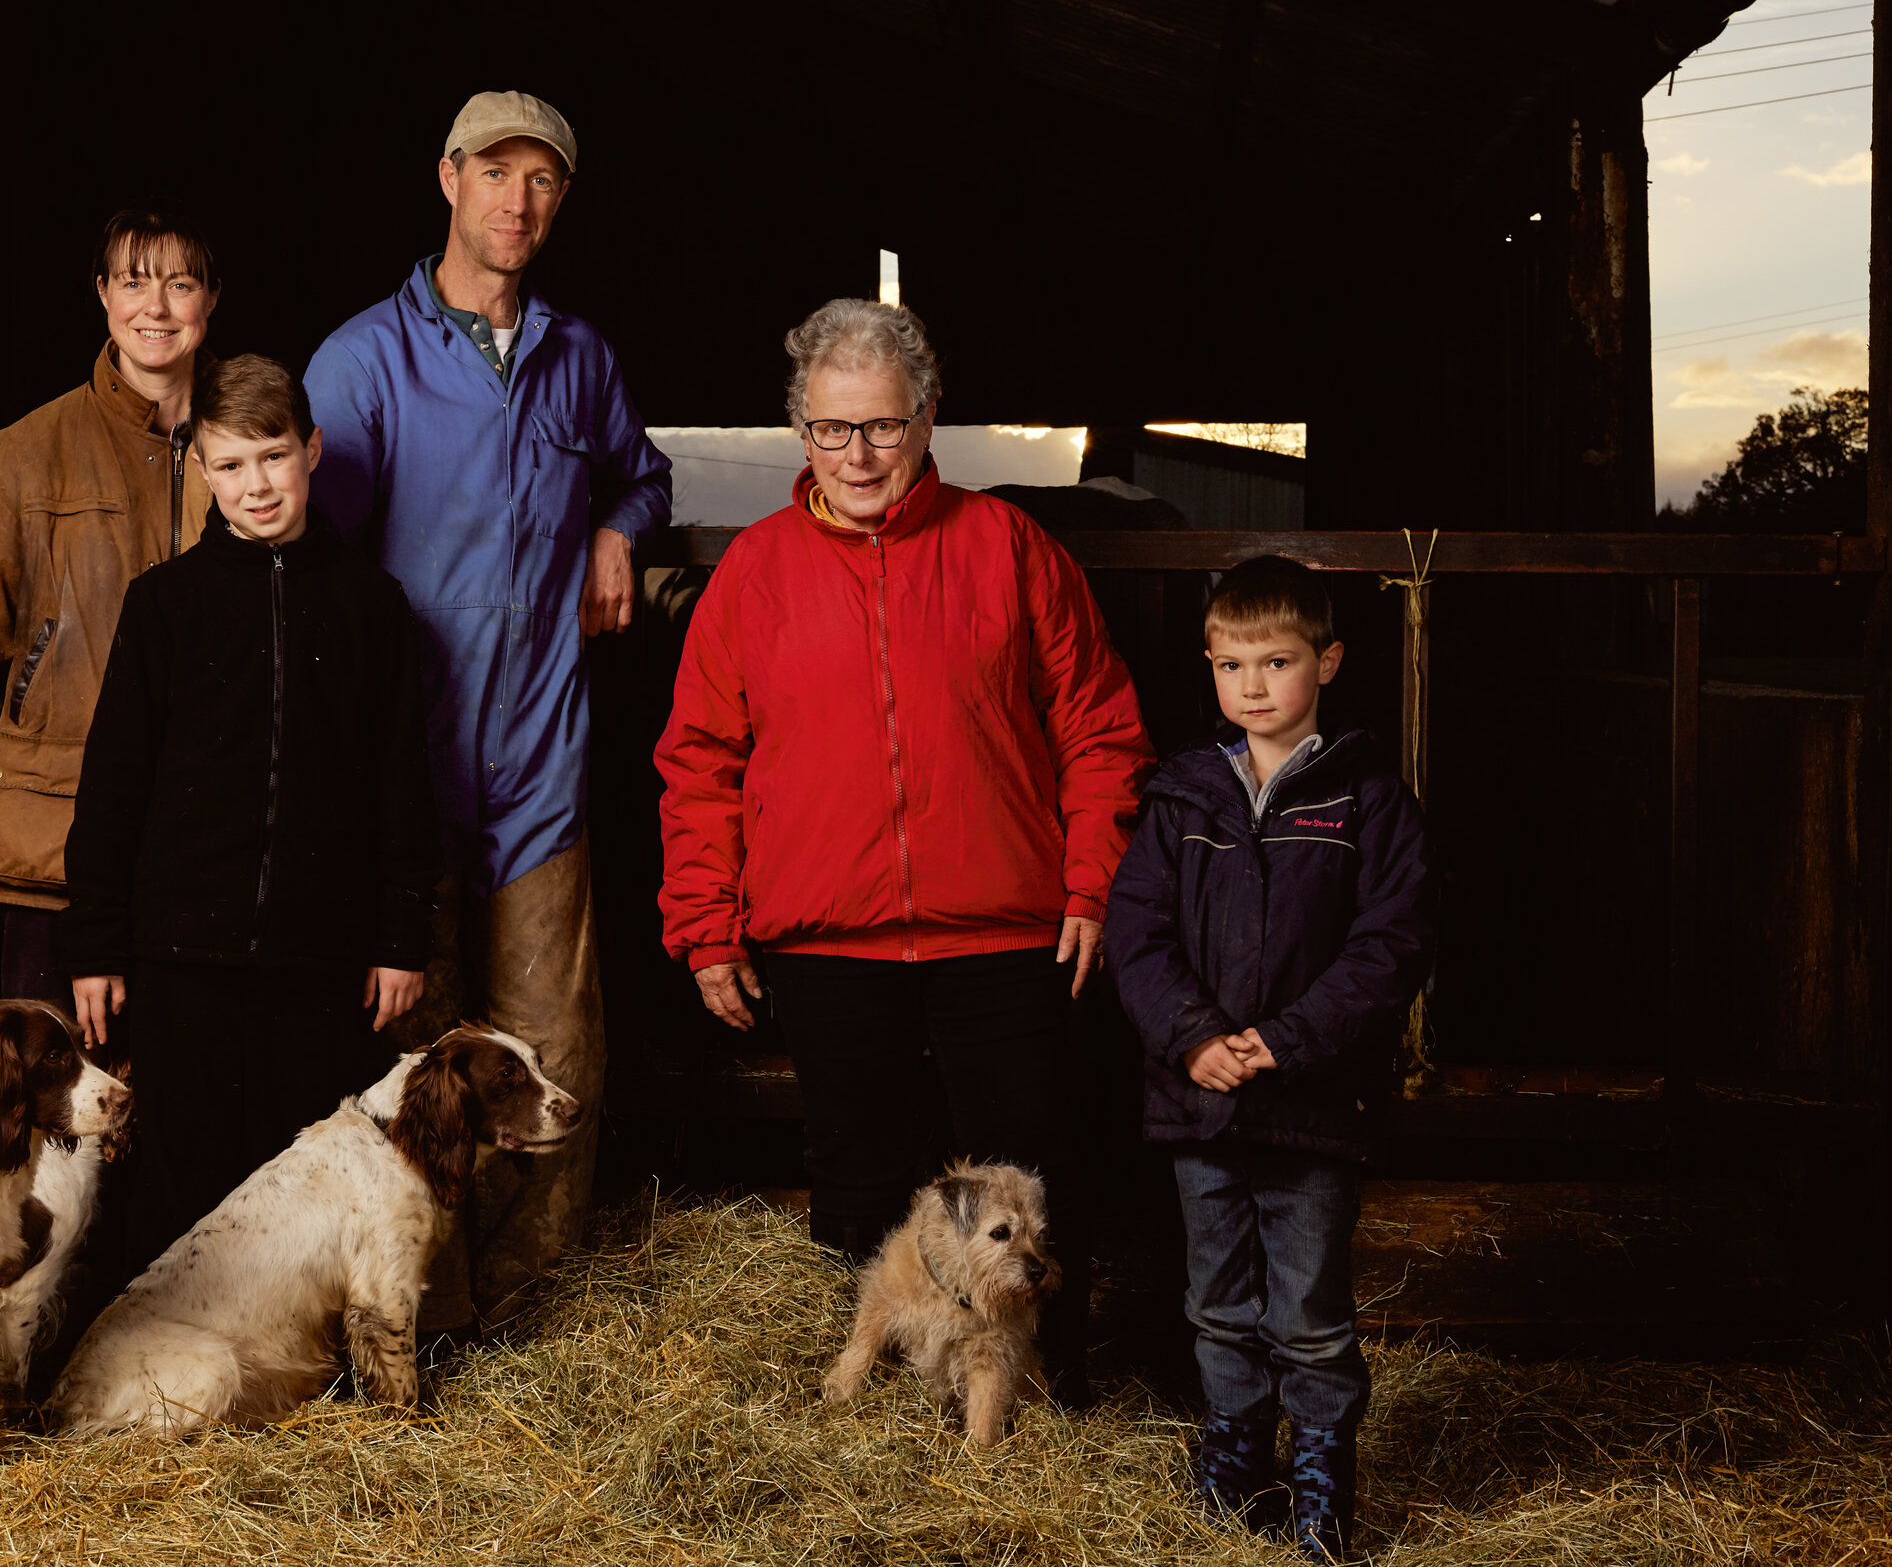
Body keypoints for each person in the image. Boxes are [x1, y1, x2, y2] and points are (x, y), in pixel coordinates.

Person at [654, 296, 1153, 1404]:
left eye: (880, 425)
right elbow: (698, 761)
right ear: (802, 432)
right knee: (860, 1183)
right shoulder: (755, 573)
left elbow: (1098, 728)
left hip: (1003, 925)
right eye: (833, 429)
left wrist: (1090, 882)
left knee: (1027, 1178)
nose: (859, 453)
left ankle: (1043, 1402)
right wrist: (704, 925)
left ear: (927, 418)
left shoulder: (1007, 547)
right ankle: (876, 1412)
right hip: (827, 936)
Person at [306, 91, 672, 1335]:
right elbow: (315, 564)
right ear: (449, 178)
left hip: (539, 762)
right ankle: (418, 1297)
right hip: (405, 776)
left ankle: (533, 1305)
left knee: (557, 1049)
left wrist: (619, 532)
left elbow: (641, 470)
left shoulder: (580, 356)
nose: (519, 203)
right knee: (410, 1057)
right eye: (497, 174)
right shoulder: (361, 361)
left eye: (544, 182)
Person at [58, 354, 440, 1273]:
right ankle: (157, 1383)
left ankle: (292, 1384)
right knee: (176, 1175)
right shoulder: (164, 606)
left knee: (303, 1171)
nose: (256, 485)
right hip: (180, 952)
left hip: (322, 958)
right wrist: (99, 946)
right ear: (201, 469)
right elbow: (113, 787)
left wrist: (400, 938)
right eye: (230, 465)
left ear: (310, 450)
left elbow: (401, 785)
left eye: (272, 457)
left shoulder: (371, 607)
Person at [1105, 555, 1437, 1562]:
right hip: (1199, 1098)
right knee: (1214, 1299)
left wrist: (1286, 1040)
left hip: (1311, 1103)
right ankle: (1233, 1466)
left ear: (1326, 661)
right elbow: (1136, 930)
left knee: (1306, 1305)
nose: (1252, 685)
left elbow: (1392, 943)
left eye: (1277, 660)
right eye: (1229, 664)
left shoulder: (1366, 796)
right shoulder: (1181, 793)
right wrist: (1193, 1037)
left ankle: (1321, 1482)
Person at [0, 206, 219, 1003]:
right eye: (133, 282)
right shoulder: (21, 459)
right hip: (56, 830)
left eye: (179, 284)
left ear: (210, 299)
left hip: (206, 834)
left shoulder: (253, 449)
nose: (154, 308)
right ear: (103, 295)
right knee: (57, 1103)